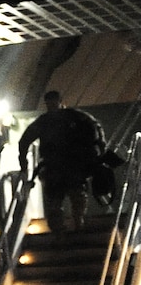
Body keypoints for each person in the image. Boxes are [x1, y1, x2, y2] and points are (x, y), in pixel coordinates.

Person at [19, 90, 106, 231]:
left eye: (52, 102)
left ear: (59, 101)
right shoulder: (71, 118)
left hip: (68, 165)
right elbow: (24, 141)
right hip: (60, 166)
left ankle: (72, 224)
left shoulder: (63, 119)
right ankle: (63, 227)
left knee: (72, 196)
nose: (51, 106)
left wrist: (97, 153)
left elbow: (95, 131)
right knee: (61, 199)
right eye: (49, 103)